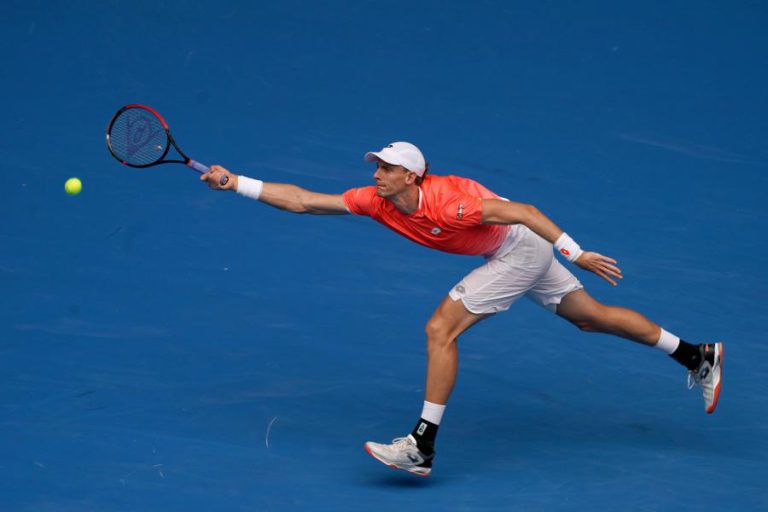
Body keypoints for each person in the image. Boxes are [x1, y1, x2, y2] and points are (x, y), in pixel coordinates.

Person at [200, 141, 723, 477]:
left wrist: (576, 252)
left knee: (439, 330)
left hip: (521, 245)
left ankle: (421, 446)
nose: (378, 173)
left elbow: (525, 211)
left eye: (388, 168)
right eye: (377, 166)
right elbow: (304, 200)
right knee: (591, 317)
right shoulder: (375, 200)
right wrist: (236, 183)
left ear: (414, 177)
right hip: (510, 249)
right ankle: (697, 355)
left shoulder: (450, 200)